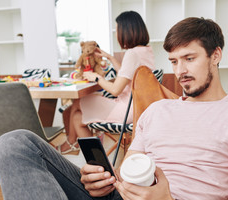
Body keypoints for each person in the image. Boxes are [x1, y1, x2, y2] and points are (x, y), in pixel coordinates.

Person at [0, 17, 228, 200]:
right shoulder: (157, 110)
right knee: (16, 142)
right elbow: (128, 174)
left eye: (190, 58)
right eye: (174, 61)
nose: (180, 71)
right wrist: (102, 181)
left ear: (216, 55)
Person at [56, 10, 155, 154]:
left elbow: (116, 90)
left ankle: (75, 146)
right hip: (139, 108)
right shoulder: (146, 51)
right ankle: (83, 151)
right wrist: (109, 57)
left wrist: (96, 78)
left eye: (117, 30)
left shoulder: (132, 54)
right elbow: (127, 74)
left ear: (126, 31)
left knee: (78, 102)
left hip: (126, 110)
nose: (116, 34)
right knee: (77, 116)